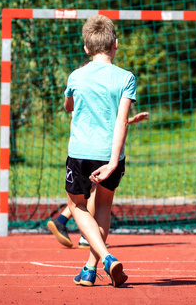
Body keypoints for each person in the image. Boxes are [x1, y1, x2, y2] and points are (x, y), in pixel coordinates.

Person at [63, 15, 135, 287]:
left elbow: (68, 107)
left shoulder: (76, 76)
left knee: (77, 206)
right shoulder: (126, 78)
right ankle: (89, 270)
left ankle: (105, 259)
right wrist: (114, 162)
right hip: (110, 154)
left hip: (80, 152)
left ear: (86, 49)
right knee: (103, 205)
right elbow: (122, 121)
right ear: (116, 43)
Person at [47, 111, 149, 249]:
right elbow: (98, 119)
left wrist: (130, 120)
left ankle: (62, 220)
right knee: (95, 192)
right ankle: (86, 236)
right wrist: (128, 120)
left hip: (84, 148)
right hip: (93, 148)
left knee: (87, 192)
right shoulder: (84, 95)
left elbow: (99, 118)